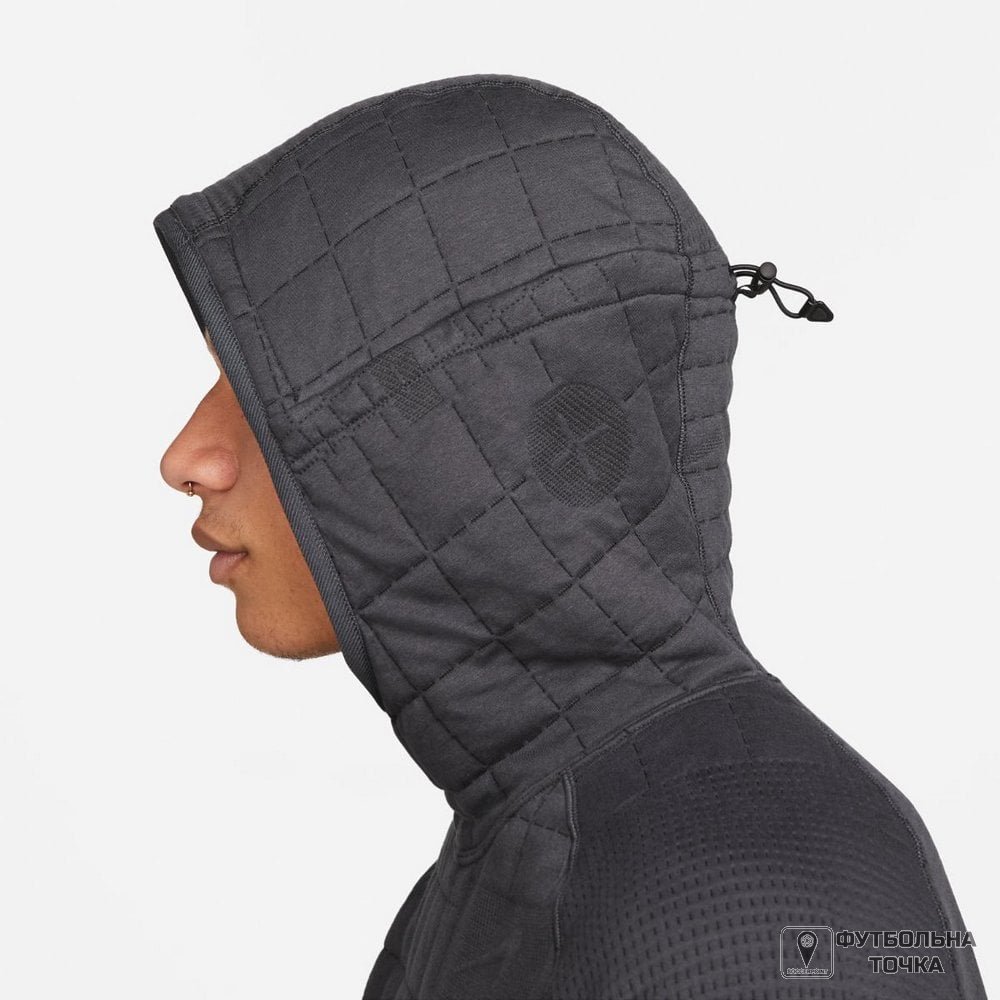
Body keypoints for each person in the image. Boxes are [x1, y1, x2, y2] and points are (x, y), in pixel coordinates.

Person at [154, 73, 986, 999]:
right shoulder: (528, 839)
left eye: (252, 394)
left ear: (470, 428)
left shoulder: (753, 892)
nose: (186, 457)